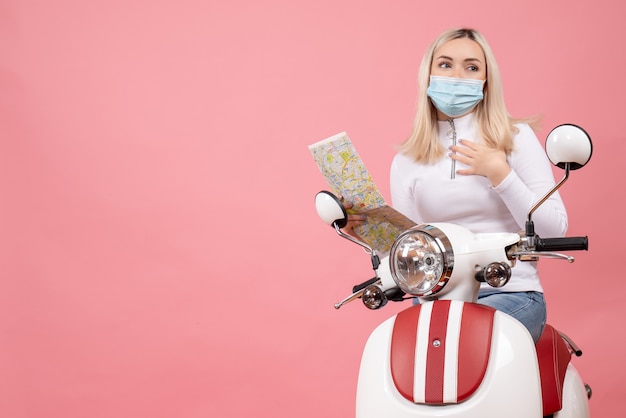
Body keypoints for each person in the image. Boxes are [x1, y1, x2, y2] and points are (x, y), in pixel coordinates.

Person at [351, 28, 567, 343]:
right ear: (428, 73)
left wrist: (500, 173)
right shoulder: (407, 160)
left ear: (486, 80)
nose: (457, 75)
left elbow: (553, 230)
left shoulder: (515, 137)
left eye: (471, 67)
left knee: (462, 341)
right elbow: (411, 246)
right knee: (394, 351)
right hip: (436, 299)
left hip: (510, 292)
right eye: (445, 64)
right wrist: (367, 233)